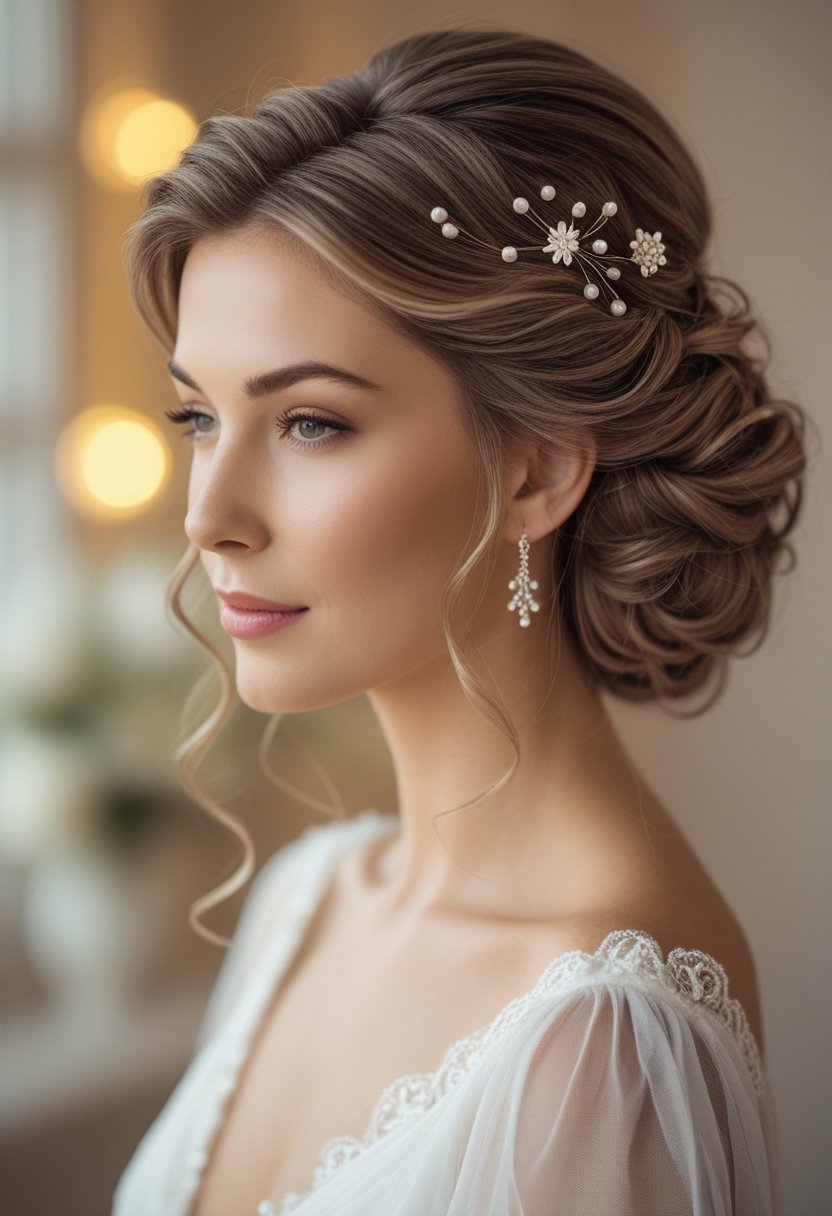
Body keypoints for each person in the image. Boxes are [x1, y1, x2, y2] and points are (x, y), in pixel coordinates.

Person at [111, 24, 807, 1216]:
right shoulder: (307, 897)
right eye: (199, 420)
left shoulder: (597, 1044)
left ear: (537, 469)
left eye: (310, 422)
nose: (208, 516)